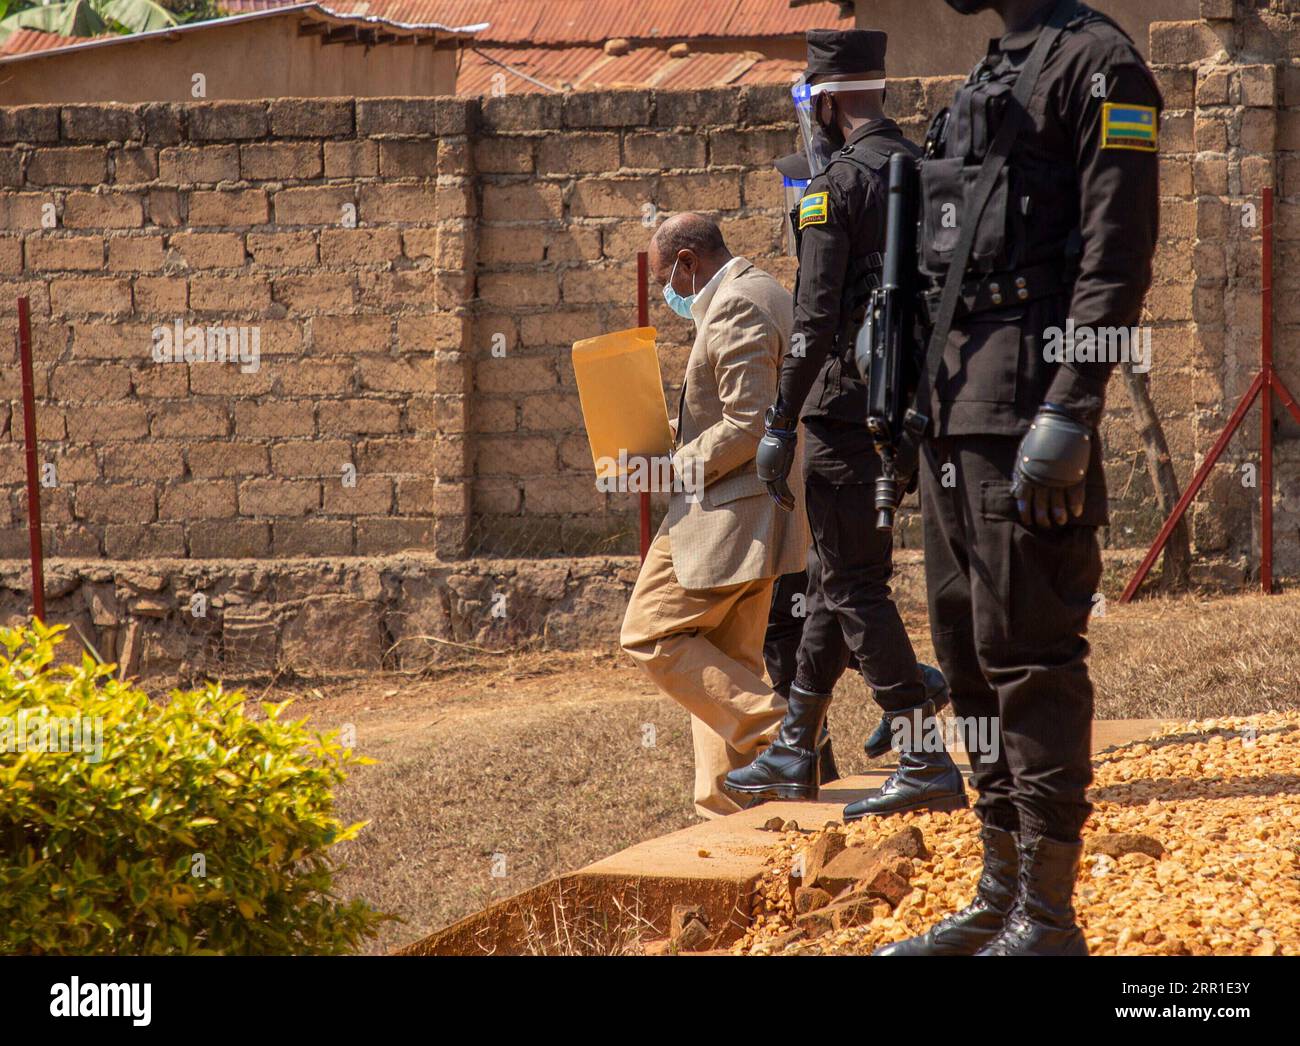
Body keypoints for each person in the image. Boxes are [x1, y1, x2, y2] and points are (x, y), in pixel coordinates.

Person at [877, 0, 1161, 957]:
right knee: (965, 654)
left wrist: (1073, 406)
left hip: (1028, 404)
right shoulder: (993, 66)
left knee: (1031, 656)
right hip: (952, 405)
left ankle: (1048, 918)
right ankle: (1001, 891)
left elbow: (1118, 256)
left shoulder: (1102, 67)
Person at [724, 28, 963, 821]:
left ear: (824, 103)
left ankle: (922, 751)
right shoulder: (927, 168)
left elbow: (816, 317)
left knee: (855, 584)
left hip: (837, 411)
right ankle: (796, 745)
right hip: (904, 409)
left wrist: (778, 419)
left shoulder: (835, 186)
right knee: (832, 577)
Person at [620, 213, 809, 819]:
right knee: (729, 663)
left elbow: (748, 425)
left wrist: (668, 471)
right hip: (754, 512)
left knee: (651, 633)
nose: (668, 296)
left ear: (685, 263)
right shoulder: (768, 289)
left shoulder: (735, 306)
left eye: (667, 280)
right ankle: (734, 803)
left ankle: (783, 735)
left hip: (726, 515)